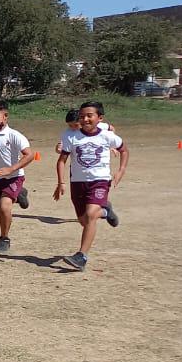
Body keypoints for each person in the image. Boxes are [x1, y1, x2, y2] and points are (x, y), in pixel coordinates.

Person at [54, 101, 128, 271]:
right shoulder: (71, 136)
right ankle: (105, 211)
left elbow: (124, 150)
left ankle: (81, 256)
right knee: (84, 221)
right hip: (77, 183)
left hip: (99, 181)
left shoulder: (107, 136)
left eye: (89, 116)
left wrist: (121, 170)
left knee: (90, 215)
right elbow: (61, 161)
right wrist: (61, 182)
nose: (85, 119)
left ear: (99, 118)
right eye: (82, 116)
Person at [0, 100, 34, 253]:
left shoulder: (14, 135)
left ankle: (4, 239)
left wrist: (11, 169)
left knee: (4, 207)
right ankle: (20, 194)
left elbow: (29, 155)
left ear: (5, 116)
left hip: (14, 178)